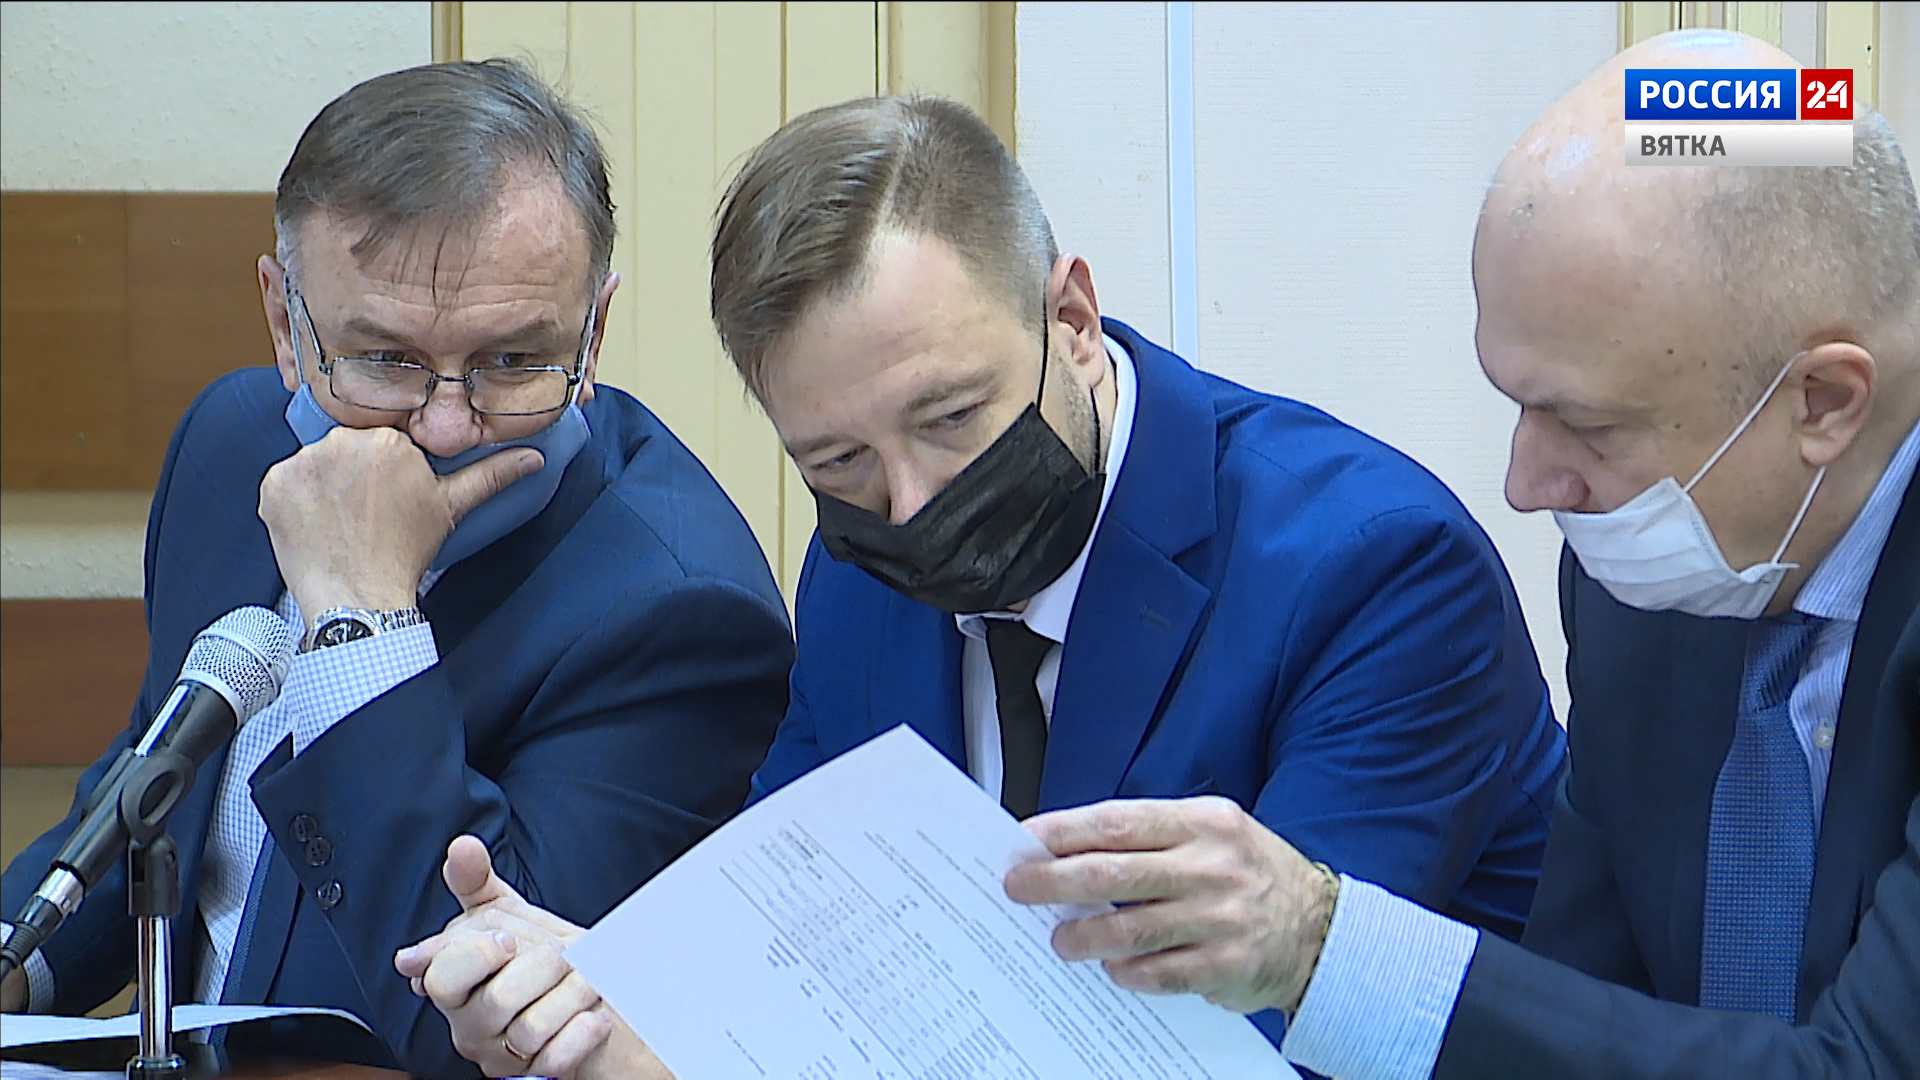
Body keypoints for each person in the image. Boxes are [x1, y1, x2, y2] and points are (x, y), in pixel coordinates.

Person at [397, 93, 1570, 1077]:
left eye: (951, 417)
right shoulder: (856, 568)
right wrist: (605, 1001)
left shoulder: (1375, 570)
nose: (910, 505)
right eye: (837, 461)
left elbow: (1253, 1052)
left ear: (1071, 320)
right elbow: (794, 931)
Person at [995, 30, 1919, 1079]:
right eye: (1517, 404)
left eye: (1588, 426)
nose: (1529, 485)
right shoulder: (1642, 581)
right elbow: (1576, 1021)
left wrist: (1322, 949)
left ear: (1824, 402)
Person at [0, 59, 794, 1076]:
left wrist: (362, 620)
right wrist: (19, 959)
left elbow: (486, 1031)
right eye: (385, 359)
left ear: (593, 334)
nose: (446, 425)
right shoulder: (230, 446)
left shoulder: (683, 616)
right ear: (286, 324)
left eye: (513, 361)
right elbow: (157, 791)